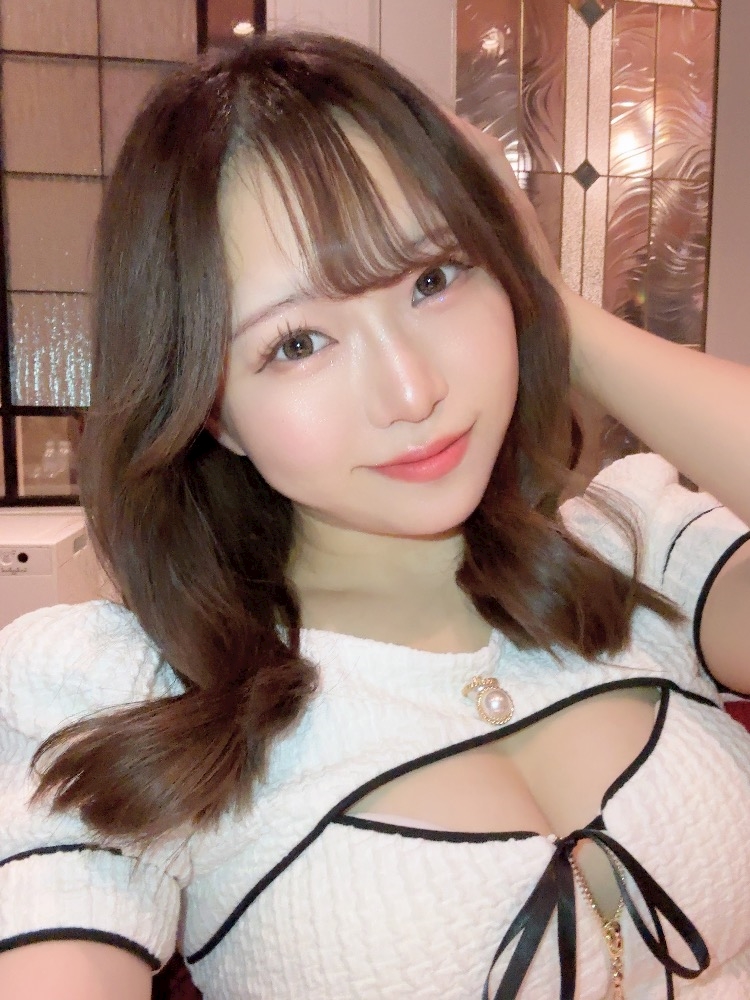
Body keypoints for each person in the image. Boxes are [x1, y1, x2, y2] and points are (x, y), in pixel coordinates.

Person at [0, 30, 749, 1000]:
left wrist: (554, 311)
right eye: (298, 342)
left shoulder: (632, 541)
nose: (410, 390)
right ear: (211, 408)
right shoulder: (134, 692)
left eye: (433, 278)